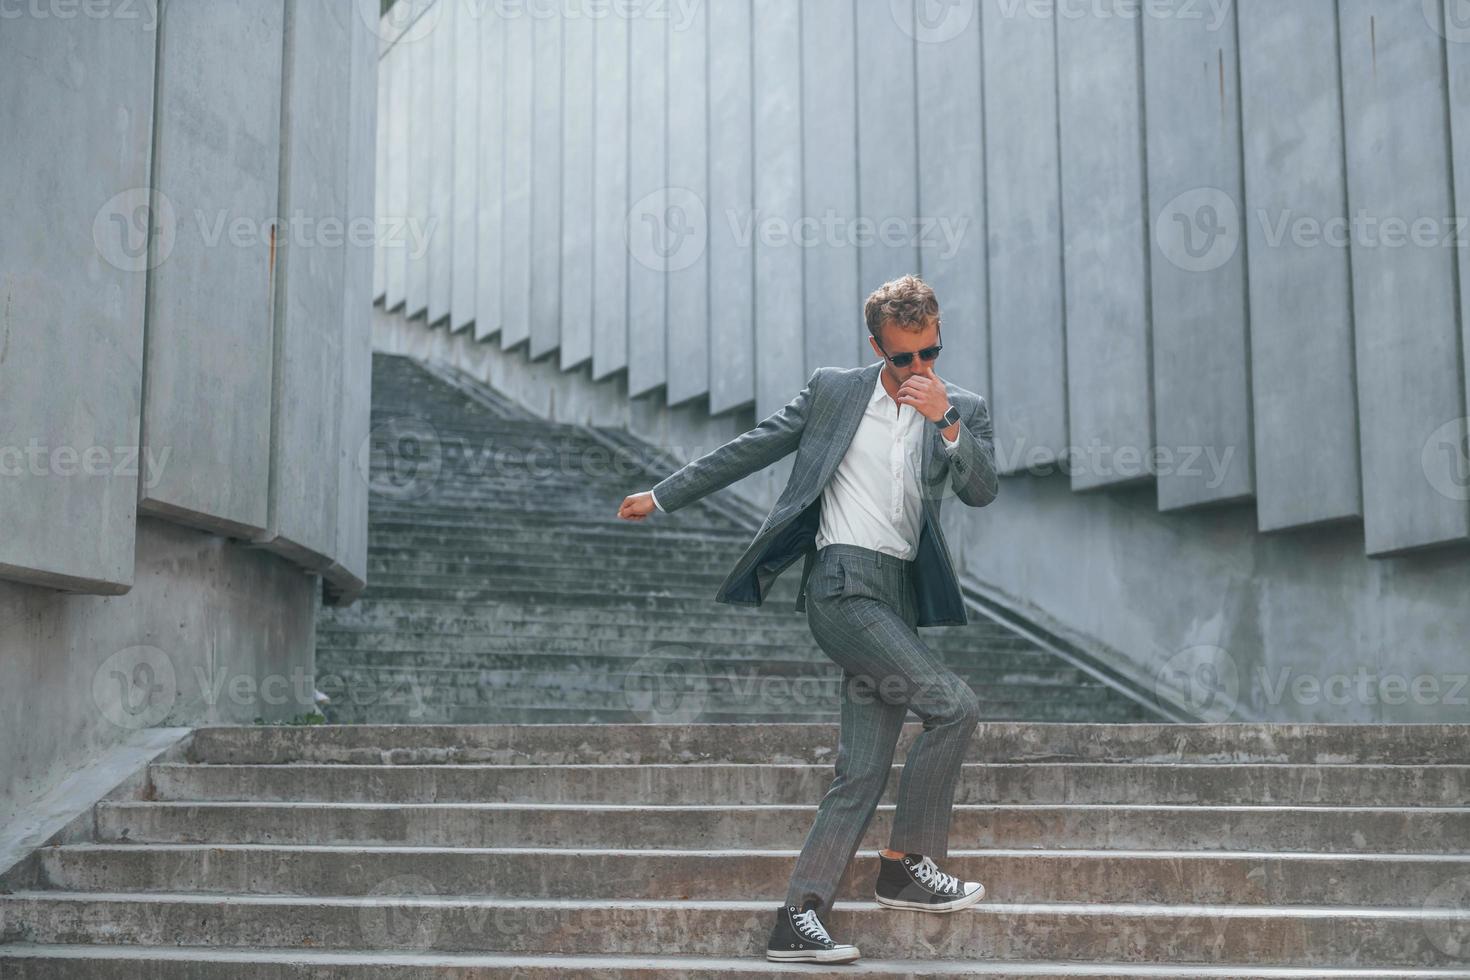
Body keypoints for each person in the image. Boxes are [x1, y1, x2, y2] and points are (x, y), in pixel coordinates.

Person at [617, 274, 999, 964]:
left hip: (899, 596)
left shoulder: (960, 407)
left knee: (860, 770)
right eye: (902, 357)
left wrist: (944, 420)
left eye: (930, 353)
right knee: (954, 707)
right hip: (841, 585)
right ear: (876, 345)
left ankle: (798, 918)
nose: (918, 369)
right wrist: (662, 496)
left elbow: (982, 489)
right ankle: (907, 864)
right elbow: (753, 446)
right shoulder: (834, 392)